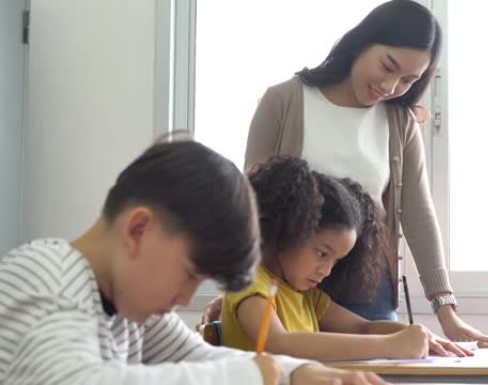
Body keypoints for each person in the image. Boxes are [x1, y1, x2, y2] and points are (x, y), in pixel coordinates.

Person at [202, 0, 488, 349]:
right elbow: (252, 201)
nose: (392, 85)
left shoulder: (399, 122)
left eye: (408, 80)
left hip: (366, 287)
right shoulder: (285, 100)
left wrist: (446, 311)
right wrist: (240, 286)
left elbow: (418, 214)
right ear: (361, 42)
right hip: (286, 279)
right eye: (388, 66)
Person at [0, 139, 385, 385]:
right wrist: (251, 375)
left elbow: (200, 357)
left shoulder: (132, 310)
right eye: (189, 274)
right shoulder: (44, 276)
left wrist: (300, 372)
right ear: (138, 230)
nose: (186, 299)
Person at [220, 156, 462, 361]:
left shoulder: (305, 296)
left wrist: (421, 336)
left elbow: (363, 328)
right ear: (287, 231)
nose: (326, 270)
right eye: (322, 253)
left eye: (336, 261)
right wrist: (390, 346)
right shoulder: (250, 283)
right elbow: (278, 343)